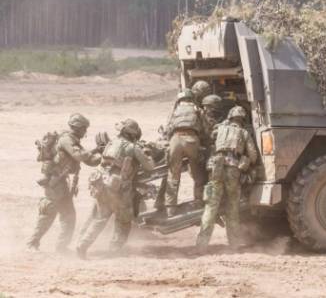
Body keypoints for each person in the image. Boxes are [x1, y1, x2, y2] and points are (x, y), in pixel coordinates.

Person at [76, 119, 154, 258]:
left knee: (100, 218)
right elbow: (149, 167)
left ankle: (82, 245)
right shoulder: (132, 147)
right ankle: (114, 250)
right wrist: (148, 154)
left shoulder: (111, 143)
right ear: (132, 134)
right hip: (117, 187)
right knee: (123, 220)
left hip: (101, 182)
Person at [27, 113, 102, 252]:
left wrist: (101, 154)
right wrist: (95, 153)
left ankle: (61, 247)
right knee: (48, 214)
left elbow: (87, 159)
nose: (85, 132)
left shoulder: (73, 140)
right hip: (55, 183)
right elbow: (79, 155)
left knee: (69, 217)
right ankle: (32, 243)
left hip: (62, 183)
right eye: (84, 128)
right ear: (77, 128)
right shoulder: (67, 139)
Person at [196, 106, 258, 250]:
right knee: (232, 208)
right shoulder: (244, 132)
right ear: (243, 119)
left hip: (215, 167)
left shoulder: (219, 128)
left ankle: (201, 245)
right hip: (233, 170)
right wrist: (246, 161)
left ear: (230, 117)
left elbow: (210, 141)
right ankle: (234, 245)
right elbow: (253, 155)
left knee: (210, 207)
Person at [163, 81, 211, 217]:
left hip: (176, 139)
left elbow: (168, 129)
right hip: (191, 140)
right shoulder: (197, 109)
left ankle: (170, 208)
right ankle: (198, 201)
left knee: (173, 175)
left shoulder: (175, 110)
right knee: (197, 173)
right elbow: (205, 129)